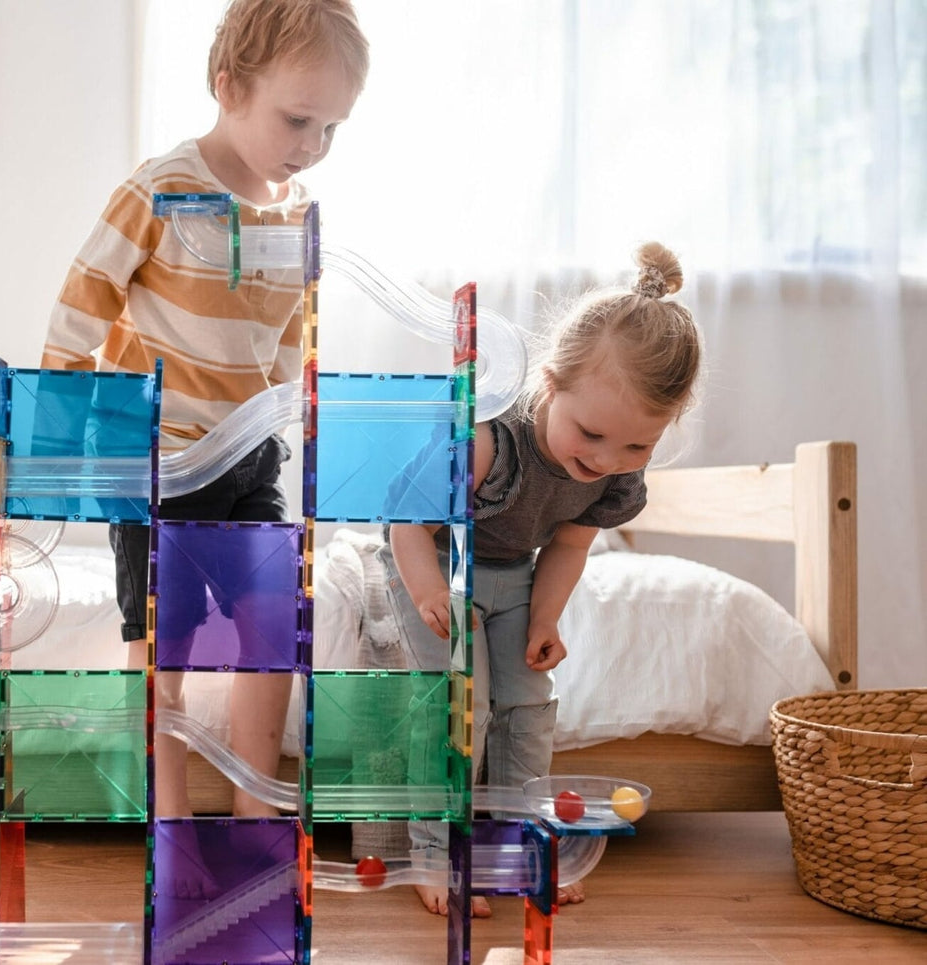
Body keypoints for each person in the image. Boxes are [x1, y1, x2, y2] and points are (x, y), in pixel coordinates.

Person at [40, 0, 369, 827]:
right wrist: (57, 421)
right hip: (157, 461)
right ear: (228, 87)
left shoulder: (294, 213)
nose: (312, 146)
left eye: (331, 129)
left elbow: (292, 327)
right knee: (162, 642)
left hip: (249, 457)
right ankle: (171, 821)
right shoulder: (160, 189)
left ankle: (256, 814)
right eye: (297, 120)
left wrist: (291, 402)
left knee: (273, 625)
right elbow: (83, 299)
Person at [382, 242, 704, 918]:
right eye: (590, 432)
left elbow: (568, 544)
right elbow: (404, 521)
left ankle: (522, 848)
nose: (604, 459)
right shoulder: (487, 442)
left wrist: (543, 620)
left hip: (513, 573)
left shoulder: (615, 475)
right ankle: (432, 851)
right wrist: (425, 593)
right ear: (549, 383)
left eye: (635, 446)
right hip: (437, 564)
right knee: (459, 707)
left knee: (526, 713)